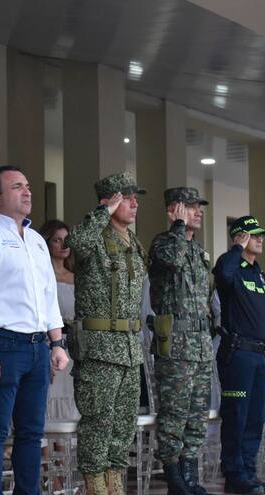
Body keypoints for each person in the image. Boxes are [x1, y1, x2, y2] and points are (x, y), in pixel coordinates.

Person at [0, 165, 69, 495]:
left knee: (31, 432)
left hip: (38, 347)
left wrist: (57, 343)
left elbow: (48, 295)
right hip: (3, 344)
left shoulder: (38, 240)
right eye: (16, 187)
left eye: (27, 186)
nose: (27, 192)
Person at [65, 171, 147, 495]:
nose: (134, 202)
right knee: (98, 422)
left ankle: (116, 487)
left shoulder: (134, 242)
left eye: (134, 197)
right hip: (100, 347)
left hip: (128, 347)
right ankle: (96, 489)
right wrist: (102, 213)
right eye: (126, 197)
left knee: (124, 425)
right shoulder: (94, 237)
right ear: (108, 202)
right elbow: (77, 245)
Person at [147, 187, 212, 495]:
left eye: (199, 207)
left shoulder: (199, 252)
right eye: (191, 206)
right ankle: (173, 475)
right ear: (174, 209)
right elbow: (171, 261)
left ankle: (189, 472)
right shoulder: (163, 243)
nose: (198, 212)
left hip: (200, 345)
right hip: (175, 345)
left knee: (197, 414)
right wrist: (177, 227)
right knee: (174, 413)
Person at [212, 215, 265, 494]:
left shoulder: (259, 272)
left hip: (258, 355)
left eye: (261, 235)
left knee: (255, 416)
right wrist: (236, 248)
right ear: (240, 236)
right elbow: (222, 275)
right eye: (254, 234)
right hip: (237, 355)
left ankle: (248, 471)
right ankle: (234, 473)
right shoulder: (231, 266)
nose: (260, 239)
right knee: (236, 415)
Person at [39, 219, 78, 420]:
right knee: (49, 395)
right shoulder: (42, 275)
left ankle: (66, 449)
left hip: (73, 343)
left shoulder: (77, 276)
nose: (63, 245)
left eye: (66, 239)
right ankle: (46, 450)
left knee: (69, 396)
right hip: (51, 341)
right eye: (57, 240)